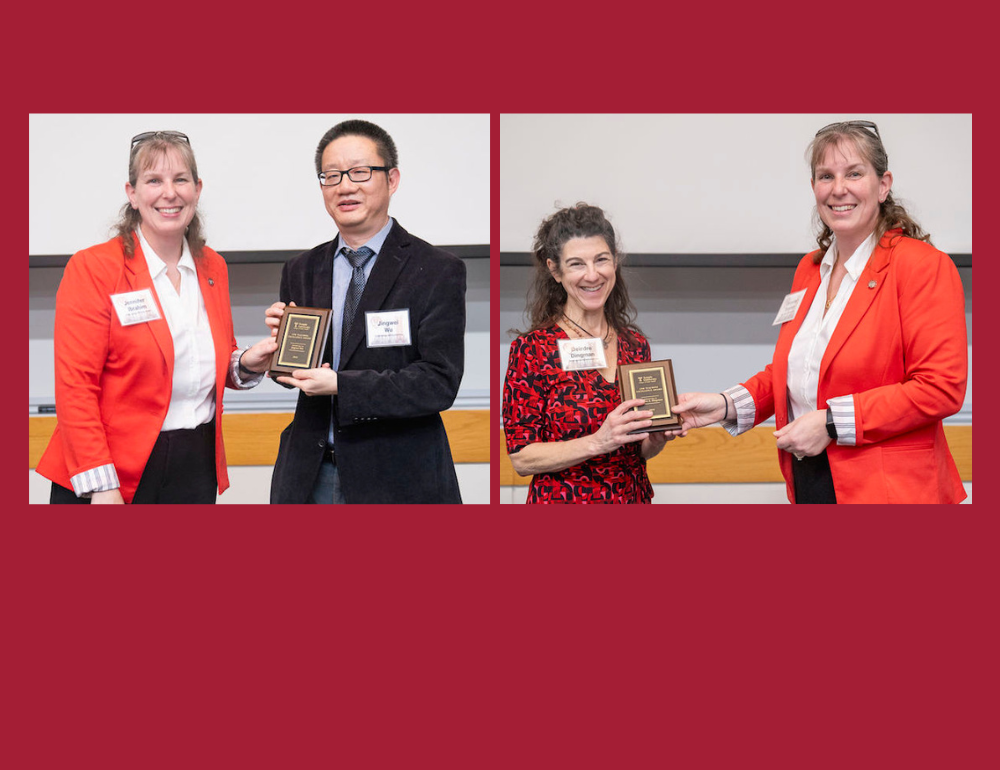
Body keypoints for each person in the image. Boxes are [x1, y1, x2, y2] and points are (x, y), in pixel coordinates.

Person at [674, 120, 968, 504]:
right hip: (812, 479)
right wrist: (726, 404)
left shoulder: (921, 266)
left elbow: (940, 387)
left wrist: (831, 423)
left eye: (854, 173)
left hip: (893, 492)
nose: (838, 189)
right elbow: (797, 373)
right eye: (825, 176)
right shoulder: (809, 269)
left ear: (883, 185)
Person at [37, 130, 277, 504]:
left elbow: (206, 362)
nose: (170, 193)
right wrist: (102, 485)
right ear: (132, 194)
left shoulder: (213, 266)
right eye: (154, 180)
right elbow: (75, 387)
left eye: (180, 179)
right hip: (111, 470)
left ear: (197, 189)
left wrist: (246, 364)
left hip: (193, 465)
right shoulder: (94, 267)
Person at [266, 119, 465, 504]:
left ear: (391, 179)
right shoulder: (301, 269)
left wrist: (343, 385)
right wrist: (279, 354)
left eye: (359, 172)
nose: (344, 186)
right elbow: (294, 374)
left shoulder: (437, 269)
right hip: (311, 473)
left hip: (398, 476)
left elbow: (438, 382)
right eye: (331, 175)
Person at [502, 203, 678, 503]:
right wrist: (597, 442)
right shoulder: (533, 349)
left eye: (601, 260)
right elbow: (522, 458)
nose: (593, 275)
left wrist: (656, 440)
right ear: (555, 271)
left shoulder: (635, 346)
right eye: (576, 264)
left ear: (615, 263)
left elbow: (637, 452)